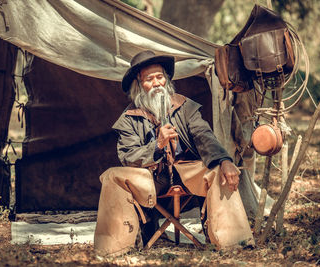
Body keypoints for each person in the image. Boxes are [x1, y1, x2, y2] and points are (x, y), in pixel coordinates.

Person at [94, 50, 254, 255]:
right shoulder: (129, 118)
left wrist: (224, 160)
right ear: (139, 84)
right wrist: (157, 146)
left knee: (218, 170)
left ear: (166, 80)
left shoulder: (185, 107)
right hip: (150, 176)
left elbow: (205, 136)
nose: (157, 83)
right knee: (112, 176)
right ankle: (114, 248)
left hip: (187, 171)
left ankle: (233, 243)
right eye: (149, 79)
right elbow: (128, 156)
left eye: (160, 77)